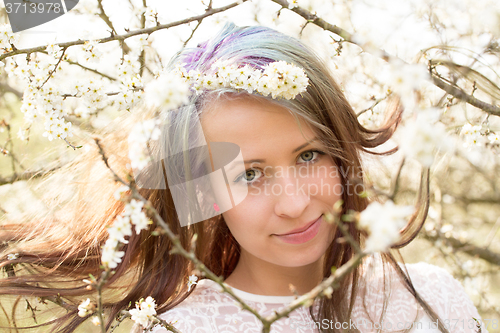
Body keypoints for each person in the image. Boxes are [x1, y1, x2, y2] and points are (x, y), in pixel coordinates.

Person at [0, 23, 486, 333]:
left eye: (309, 155)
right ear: (201, 195)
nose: (293, 203)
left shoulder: (431, 297)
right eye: (249, 174)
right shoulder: (182, 331)